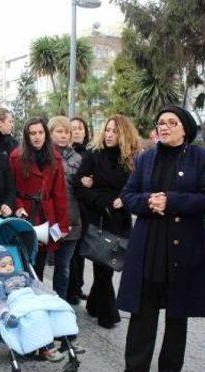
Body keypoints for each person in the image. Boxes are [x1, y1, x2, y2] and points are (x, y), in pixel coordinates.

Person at [118, 105, 205, 372]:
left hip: (185, 246)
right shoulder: (146, 157)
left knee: (178, 312)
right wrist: (150, 202)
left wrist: (172, 201)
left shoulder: (201, 158)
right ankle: (134, 371)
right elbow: (128, 195)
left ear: (184, 128)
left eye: (171, 123)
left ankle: (170, 370)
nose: (164, 127)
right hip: (149, 244)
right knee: (143, 311)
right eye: (160, 122)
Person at [9, 117, 69, 362]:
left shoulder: (54, 158)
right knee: (21, 274)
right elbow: (9, 188)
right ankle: (22, 331)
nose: (36, 137)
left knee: (38, 276)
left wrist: (61, 225)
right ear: (26, 135)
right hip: (23, 217)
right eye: (32, 133)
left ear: (45, 134)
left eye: (40, 132)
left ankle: (42, 336)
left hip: (46, 217)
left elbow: (60, 193)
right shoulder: (15, 157)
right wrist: (17, 206)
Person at [74, 114, 139, 328]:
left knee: (108, 265)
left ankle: (95, 304)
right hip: (98, 217)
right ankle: (108, 313)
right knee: (103, 265)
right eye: (108, 130)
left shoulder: (132, 159)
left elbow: (137, 189)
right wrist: (106, 201)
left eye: (115, 131)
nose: (109, 134)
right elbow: (80, 185)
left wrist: (125, 200)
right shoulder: (94, 154)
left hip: (120, 219)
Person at [47, 116, 81, 300]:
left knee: (63, 267)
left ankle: (61, 303)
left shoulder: (77, 159)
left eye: (67, 132)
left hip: (71, 220)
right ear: (50, 133)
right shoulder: (43, 156)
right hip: (46, 220)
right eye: (59, 131)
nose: (64, 135)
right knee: (38, 266)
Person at [66, 116, 92, 305]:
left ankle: (78, 286)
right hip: (71, 206)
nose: (76, 131)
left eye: (79, 128)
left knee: (81, 250)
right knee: (70, 252)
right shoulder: (65, 154)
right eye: (72, 128)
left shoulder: (91, 153)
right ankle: (70, 288)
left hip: (86, 207)